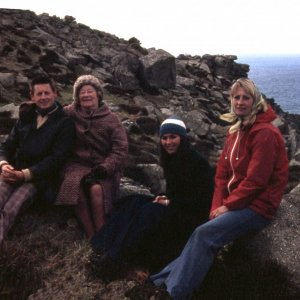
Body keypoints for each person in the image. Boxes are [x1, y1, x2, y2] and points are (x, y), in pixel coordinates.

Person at [128, 78, 289, 300]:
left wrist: (228, 206)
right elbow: (221, 175)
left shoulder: (265, 134)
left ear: (255, 101)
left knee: (204, 234)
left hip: (258, 206)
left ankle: (174, 293)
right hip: (236, 203)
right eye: (236, 97)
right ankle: (158, 283)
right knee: (203, 231)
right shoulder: (236, 132)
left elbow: (256, 181)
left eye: (246, 97)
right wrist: (216, 207)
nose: (240, 102)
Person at [90, 116, 214, 280]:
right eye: (164, 138)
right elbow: (175, 191)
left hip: (189, 216)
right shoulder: (172, 158)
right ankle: (103, 244)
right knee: (133, 201)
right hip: (176, 205)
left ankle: (115, 257)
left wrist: (169, 202)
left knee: (149, 211)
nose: (168, 142)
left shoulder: (197, 163)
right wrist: (164, 197)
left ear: (182, 139)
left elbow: (200, 201)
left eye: (173, 137)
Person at [0, 75, 76, 245]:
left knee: (10, 210)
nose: (43, 97)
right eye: (39, 94)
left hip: (39, 181)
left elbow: (57, 159)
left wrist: (24, 175)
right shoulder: (26, 116)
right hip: (13, 172)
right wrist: (4, 164)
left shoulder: (65, 124)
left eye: (47, 93)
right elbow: (7, 146)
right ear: (32, 96)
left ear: (55, 93)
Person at [55, 75, 128, 240]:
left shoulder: (112, 119)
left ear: (98, 94)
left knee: (96, 189)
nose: (86, 95)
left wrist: (105, 168)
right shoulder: (70, 112)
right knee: (74, 186)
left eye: (90, 91)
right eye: (82, 92)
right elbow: (51, 110)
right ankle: (91, 236)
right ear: (77, 97)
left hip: (102, 167)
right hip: (76, 164)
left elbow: (121, 149)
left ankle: (101, 235)